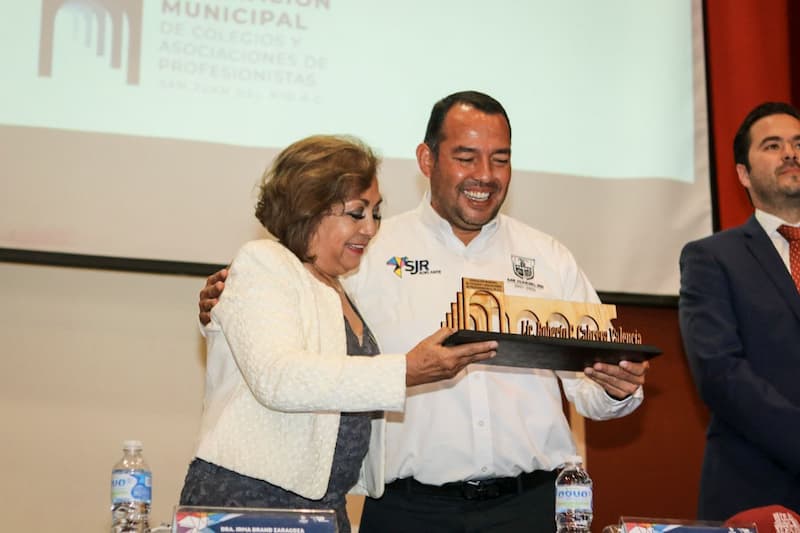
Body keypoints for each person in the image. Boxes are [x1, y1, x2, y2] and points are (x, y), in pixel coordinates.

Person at [199, 91, 649, 532]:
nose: (485, 175)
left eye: (500, 158)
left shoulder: (550, 257)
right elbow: (287, 331)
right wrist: (219, 311)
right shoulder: (367, 250)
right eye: (467, 157)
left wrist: (616, 389)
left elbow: (591, 389)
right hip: (408, 510)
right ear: (427, 160)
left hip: (530, 505)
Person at [179, 134, 498, 533]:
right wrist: (405, 371)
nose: (370, 228)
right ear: (309, 209)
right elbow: (278, 378)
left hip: (327, 504)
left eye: (376, 213)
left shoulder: (337, 285)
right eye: (356, 213)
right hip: (251, 501)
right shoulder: (265, 262)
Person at [679, 101, 800, 521]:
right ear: (743, 175)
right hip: (755, 490)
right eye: (773, 145)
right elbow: (720, 373)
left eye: (798, 143)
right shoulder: (711, 258)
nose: (790, 152)